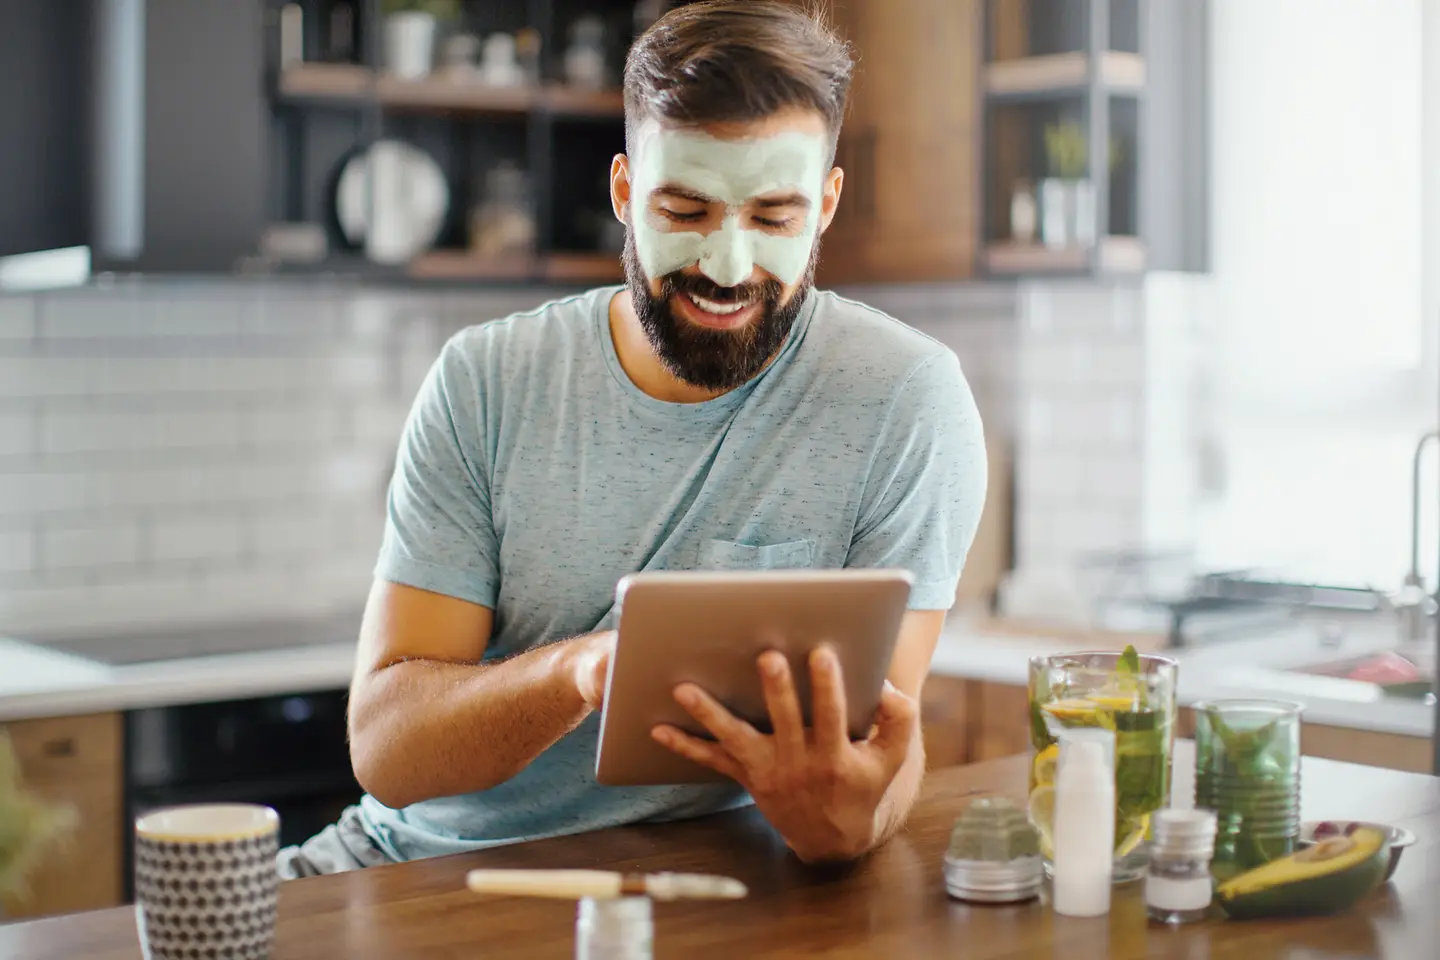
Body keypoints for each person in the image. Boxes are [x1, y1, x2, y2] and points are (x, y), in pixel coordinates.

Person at [276, 0, 986, 879]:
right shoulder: (486, 381)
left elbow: (875, 757)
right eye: (685, 209)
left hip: (699, 890)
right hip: (416, 868)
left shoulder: (905, 400)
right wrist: (580, 675)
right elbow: (389, 755)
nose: (728, 268)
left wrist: (848, 814)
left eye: (773, 218)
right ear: (622, 193)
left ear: (827, 205)